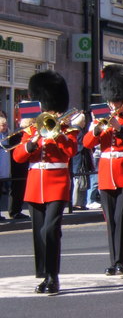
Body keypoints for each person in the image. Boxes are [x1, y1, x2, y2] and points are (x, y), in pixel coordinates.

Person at [13, 71, 78, 294]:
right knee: (38, 233)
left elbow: (71, 151)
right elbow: (18, 156)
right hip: (35, 186)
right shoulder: (31, 128)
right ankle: (44, 275)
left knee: (50, 230)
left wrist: (57, 134)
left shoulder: (66, 128)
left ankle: (53, 276)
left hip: (57, 183)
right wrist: (31, 143)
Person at [83, 64, 123, 276]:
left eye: (116, 101)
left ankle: (121, 260)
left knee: (122, 216)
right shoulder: (99, 119)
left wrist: (120, 129)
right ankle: (114, 260)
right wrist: (98, 128)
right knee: (110, 219)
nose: (112, 104)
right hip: (106, 176)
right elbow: (87, 143)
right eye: (110, 100)